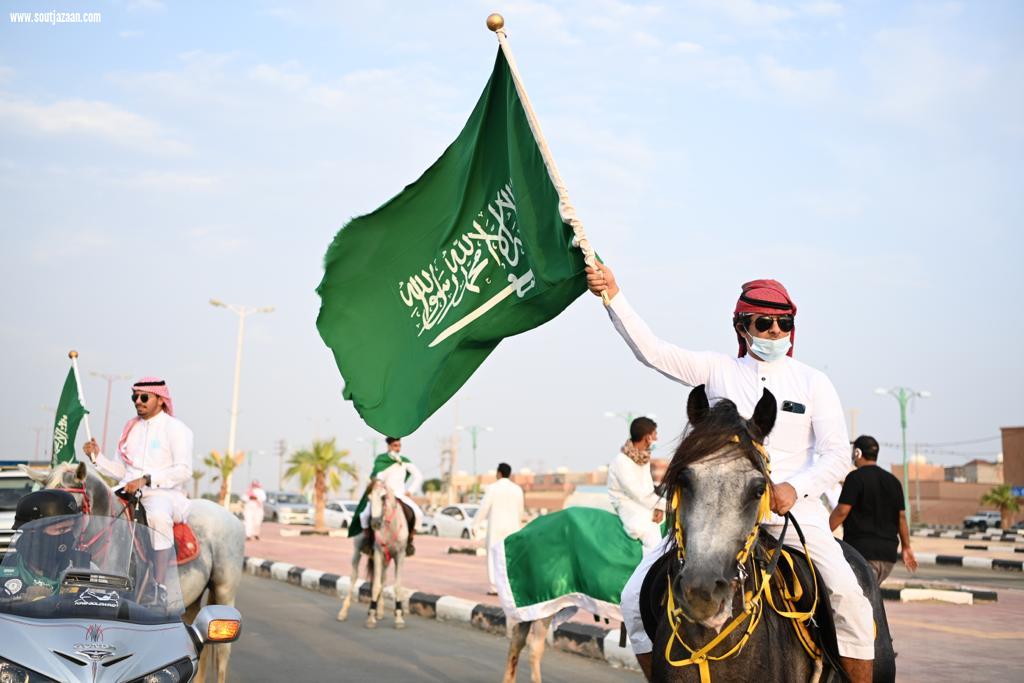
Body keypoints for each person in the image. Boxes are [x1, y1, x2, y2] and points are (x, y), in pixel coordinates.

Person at [586, 266, 875, 683]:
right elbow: (652, 351)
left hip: (793, 517)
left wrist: (795, 487)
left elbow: (835, 456)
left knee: (850, 598)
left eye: (784, 323)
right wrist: (613, 295)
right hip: (718, 517)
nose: (775, 331)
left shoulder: (814, 382)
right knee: (633, 597)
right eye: (764, 322)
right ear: (743, 327)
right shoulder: (716, 370)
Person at [83, 377, 193, 588]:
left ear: (161, 400)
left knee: (158, 517)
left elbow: (184, 470)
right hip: (127, 490)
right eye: (135, 397)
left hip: (162, 495)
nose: (138, 401)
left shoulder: (176, 429)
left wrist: (146, 480)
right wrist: (97, 458)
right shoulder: (131, 429)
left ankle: (158, 585)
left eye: (144, 397)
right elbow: (121, 471)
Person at [830, 435, 918, 584]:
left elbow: (842, 511)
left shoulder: (855, 478)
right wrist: (906, 547)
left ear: (857, 453)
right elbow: (901, 518)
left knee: (857, 599)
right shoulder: (894, 481)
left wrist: (823, 532)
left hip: (861, 553)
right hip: (888, 556)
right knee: (869, 597)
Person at [1, 489, 81, 601]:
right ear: (34, 534)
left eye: (71, 528)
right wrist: (19, 605)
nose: (68, 536)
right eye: (61, 530)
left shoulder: (86, 568)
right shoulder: (5, 570)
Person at [349, 437, 424, 556]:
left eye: (399, 446)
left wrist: (410, 491)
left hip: (400, 495)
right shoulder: (381, 460)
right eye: (395, 445)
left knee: (419, 514)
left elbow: (419, 476)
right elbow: (378, 477)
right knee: (365, 515)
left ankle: (409, 541)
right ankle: (367, 542)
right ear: (389, 446)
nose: (398, 448)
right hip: (384, 495)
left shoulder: (404, 461)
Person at [607, 417, 665, 553]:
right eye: (654, 434)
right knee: (651, 535)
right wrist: (668, 505)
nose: (656, 438)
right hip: (628, 504)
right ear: (647, 438)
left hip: (644, 502)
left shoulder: (643, 458)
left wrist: (659, 508)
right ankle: (648, 573)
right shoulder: (621, 462)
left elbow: (648, 489)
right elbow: (638, 494)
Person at [473, 463, 525, 594]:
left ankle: (494, 587)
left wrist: (475, 524)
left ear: (499, 473)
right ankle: (510, 586)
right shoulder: (517, 489)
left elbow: (484, 508)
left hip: (496, 527)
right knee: (510, 557)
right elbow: (520, 510)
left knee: (493, 555)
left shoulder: (492, 488)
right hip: (513, 527)